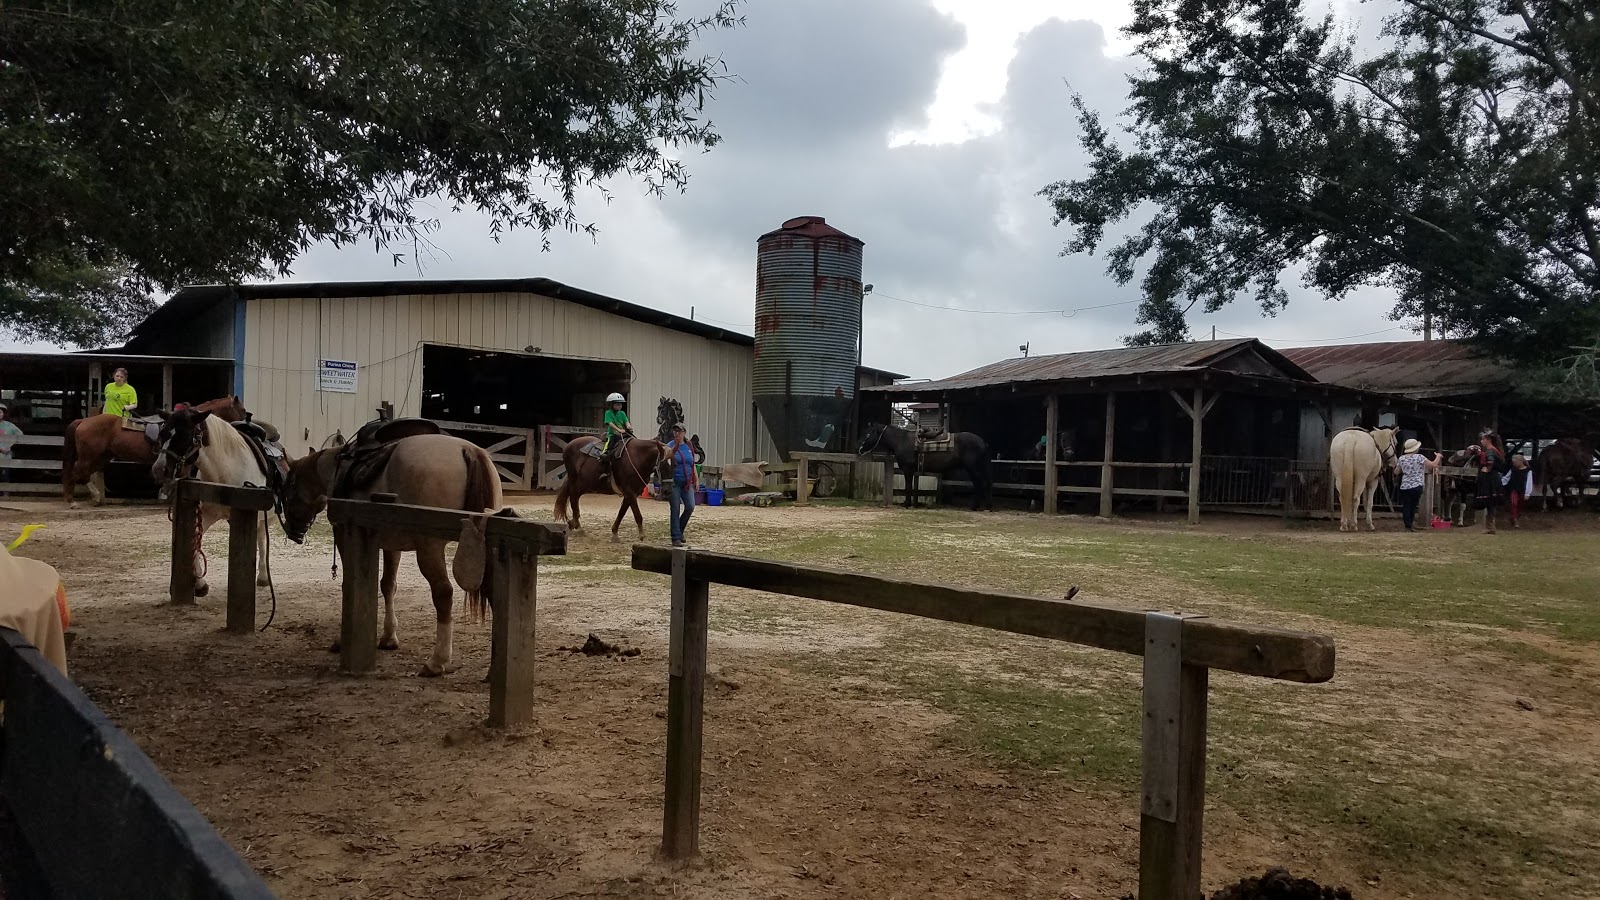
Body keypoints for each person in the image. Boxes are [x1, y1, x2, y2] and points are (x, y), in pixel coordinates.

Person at [1395, 438, 1438, 532]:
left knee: (1406, 506)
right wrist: (1438, 456)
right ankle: (1410, 524)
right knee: (1413, 506)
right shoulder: (1419, 457)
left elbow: (1397, 471)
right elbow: (1433, 465)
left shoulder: (1401, 458)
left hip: (1405, 485)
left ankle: (1407, 525)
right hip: (1417, 485)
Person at [666, 422, 698, 547]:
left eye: (679, 431)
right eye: (675, 432)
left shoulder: (689, 446)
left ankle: (679, 530)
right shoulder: (670, 446)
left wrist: (696, 478)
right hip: (675, 482)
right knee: (675, 509)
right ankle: (675, 538)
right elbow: (666, 462)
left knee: (690, 506)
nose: (677, 434)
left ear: (684, 433)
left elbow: (692, 463)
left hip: (687, 482)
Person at [1471, 429, 1509, 534]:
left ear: (1488, 440)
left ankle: (1490, 526)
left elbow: (1490, 460)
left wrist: (1487, 468)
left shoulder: (1490, 450)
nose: (1481, 441)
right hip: (1492, 478)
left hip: (1490, 479)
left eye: (1483, 439)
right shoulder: (1492, 450)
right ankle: (1490, 526)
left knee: (1490, 501)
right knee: (1490, 503)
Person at [1503, 453, 1532, 529]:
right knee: (1513, 503)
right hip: (1513, 489)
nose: (1514, 463)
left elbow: (1529, 482)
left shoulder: (1528, 471)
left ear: (1520, 461)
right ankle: (1515, 520)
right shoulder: (1513, 469)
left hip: (1522, 490)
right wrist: (1500, 484)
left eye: (1515, 462)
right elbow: (1506, 478)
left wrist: (1527, 493)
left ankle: (1514, 516)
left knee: (1519, 505)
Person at [0, 404, 21, 489]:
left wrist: (10, 445)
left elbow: (21, 436)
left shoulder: (10, 426)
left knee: (5, 477)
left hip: (5, 457)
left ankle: (6, 496)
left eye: (0, 412)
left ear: (4, 413)